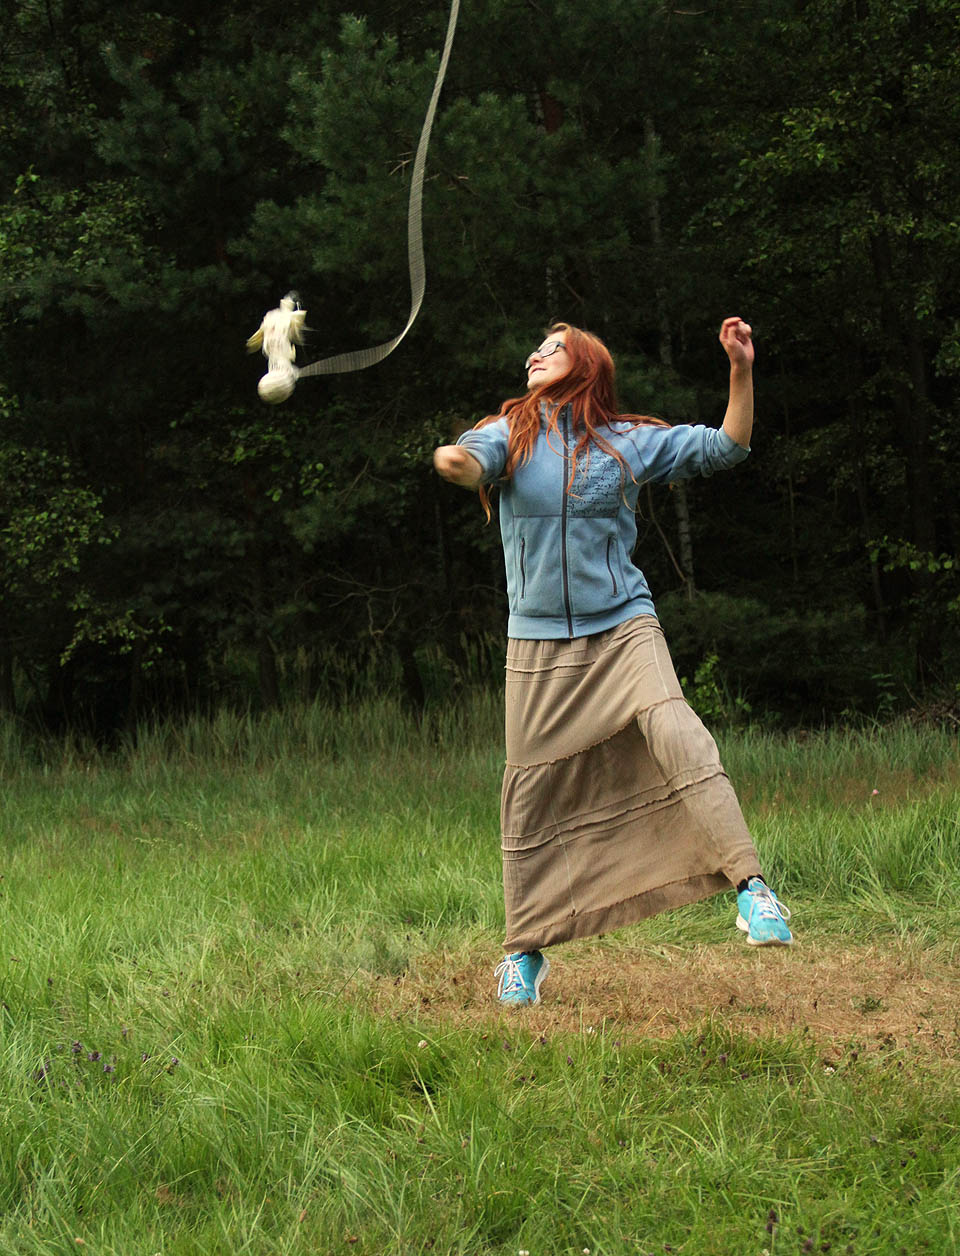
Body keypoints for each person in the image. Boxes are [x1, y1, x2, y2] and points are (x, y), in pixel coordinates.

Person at [433, 317, 792, 1006]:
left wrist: (740, 370)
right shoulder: (510, 432)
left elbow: (728, 447)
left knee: (676, 729)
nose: (535, 354)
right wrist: (458, 463)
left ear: (587, 366)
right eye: (534, 348)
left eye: (552, 347)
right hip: (537, 644)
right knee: (531, 794)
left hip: (624, 626)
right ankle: (523, 952)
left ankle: (752, 890)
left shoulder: (628, 442)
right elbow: (474, 459)